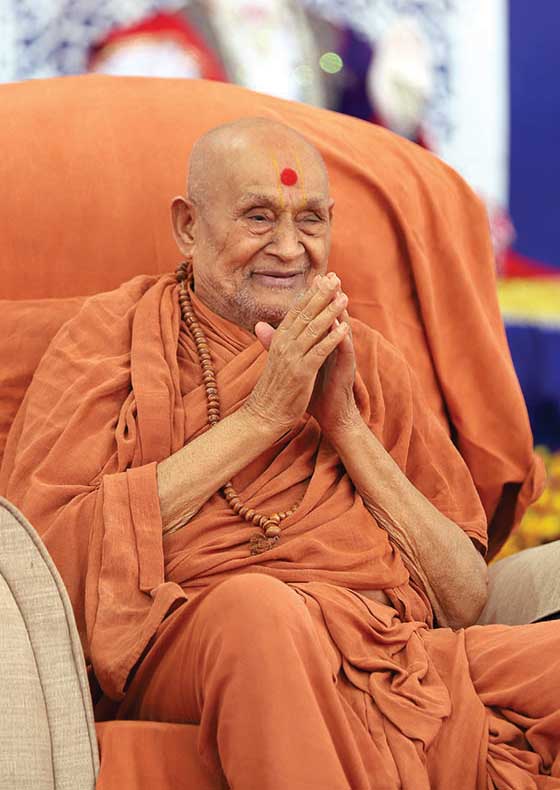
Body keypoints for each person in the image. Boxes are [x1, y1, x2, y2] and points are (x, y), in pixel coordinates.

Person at [1, 118, 558, 789]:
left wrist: (345, 424)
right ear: (187, 227)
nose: (290, 248)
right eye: (259, 217)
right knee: (258, 612)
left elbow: (465, 598)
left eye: (310, 219)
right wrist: (264, 416)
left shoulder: (367, 360)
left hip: (381, 653)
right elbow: (45, 562)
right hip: (203, 635)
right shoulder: (106, 341)